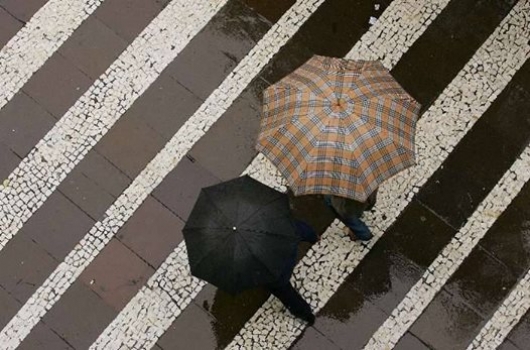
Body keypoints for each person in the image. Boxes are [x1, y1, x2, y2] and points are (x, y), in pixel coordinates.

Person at [265, 219, 317, 325]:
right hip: (286, 261)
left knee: (286, 293)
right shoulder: (273, 222)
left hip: (273, 276)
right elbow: (299, 229)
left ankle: (305, 314)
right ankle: (306, 315)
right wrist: (313, 237)